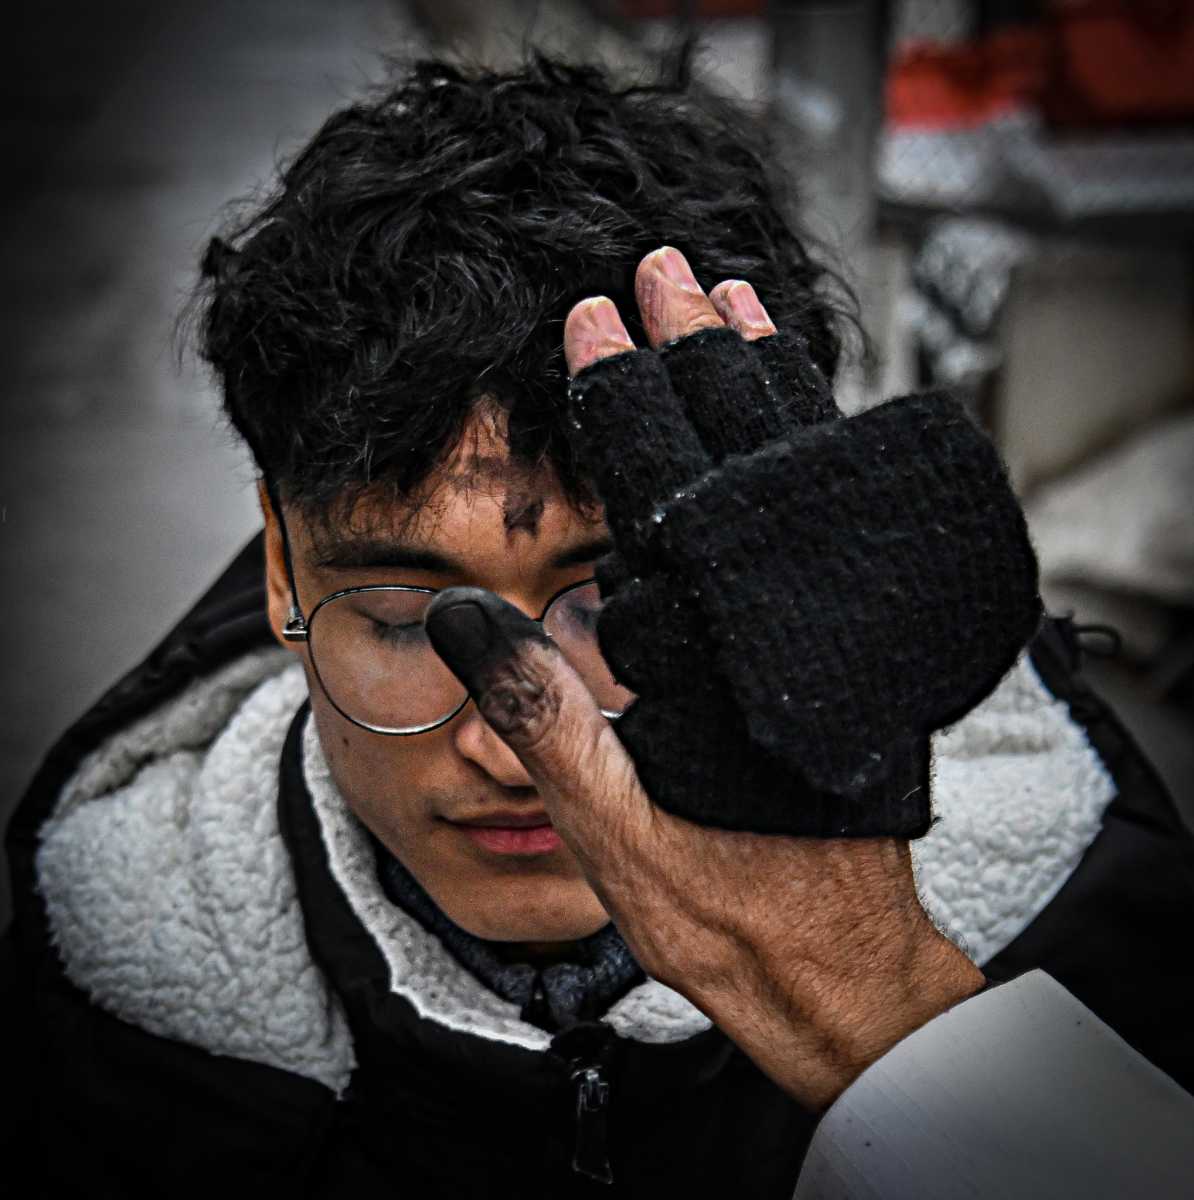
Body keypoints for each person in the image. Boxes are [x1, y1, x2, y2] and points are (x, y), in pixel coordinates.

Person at [3, 48, 1193, 1197]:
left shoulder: (1078, 934)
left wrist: (894, 1022)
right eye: (410, 619)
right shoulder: (117, 1006)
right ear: (279, 566)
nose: (517, 744)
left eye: (622, 603)